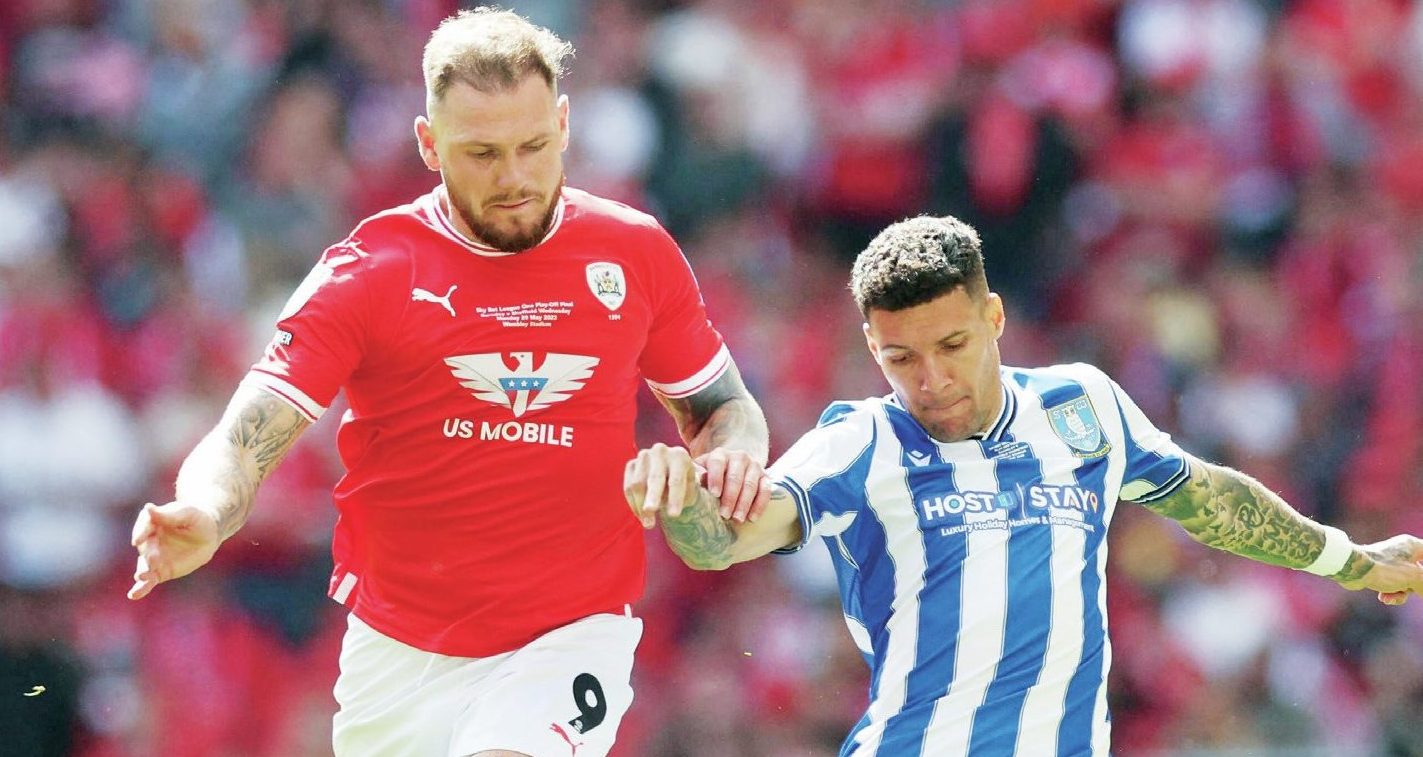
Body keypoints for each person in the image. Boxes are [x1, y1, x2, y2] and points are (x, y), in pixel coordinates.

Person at [126, 8, 772, 757]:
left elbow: (721, 407)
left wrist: (731, 457)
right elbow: (245, 435)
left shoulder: (633, 253)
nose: (514, 178)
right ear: (429, 144)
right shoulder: (370, 272)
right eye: (482, 154)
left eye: (533, 146)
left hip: (568, 637)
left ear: (563, 124)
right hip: (398, 652)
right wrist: (207, 509)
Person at [627, 214, 1423, 756]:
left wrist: (1347, 560)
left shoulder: (1082, 405)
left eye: (951, 344)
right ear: (871, 347)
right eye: (900, 358)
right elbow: (724, 540)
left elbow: (1208, 500)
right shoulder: (858, 442)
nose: (930, 379)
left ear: (995, 318)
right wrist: (684, 500)